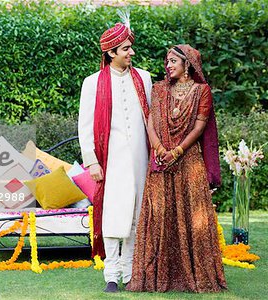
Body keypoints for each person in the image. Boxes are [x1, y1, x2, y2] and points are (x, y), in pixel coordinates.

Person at [126, 44, 227, 293]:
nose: (168, 65)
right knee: (159, 215)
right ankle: (158, 276)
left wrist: (177, 151)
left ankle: (196, 275)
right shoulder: (159, 89)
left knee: (194, 218)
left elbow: (200, 126)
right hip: (161, 161)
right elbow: (150, 121)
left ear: (187, 64)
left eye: (173, 61)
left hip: (189, 161)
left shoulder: (202, 91)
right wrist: (160, 149)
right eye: (167, 61)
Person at [78, 21, 152, 293]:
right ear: (111, 53)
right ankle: (111, 274)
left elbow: (151, 120)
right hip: (109, 161)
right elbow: (84, 126)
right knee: (112, 216)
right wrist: (92, 162)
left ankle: (131, 272)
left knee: (136, 215)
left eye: (130, 48)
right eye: (126, 49)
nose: (131, 53)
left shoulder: (143, 78)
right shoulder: (93, 83)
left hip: (139, 159)